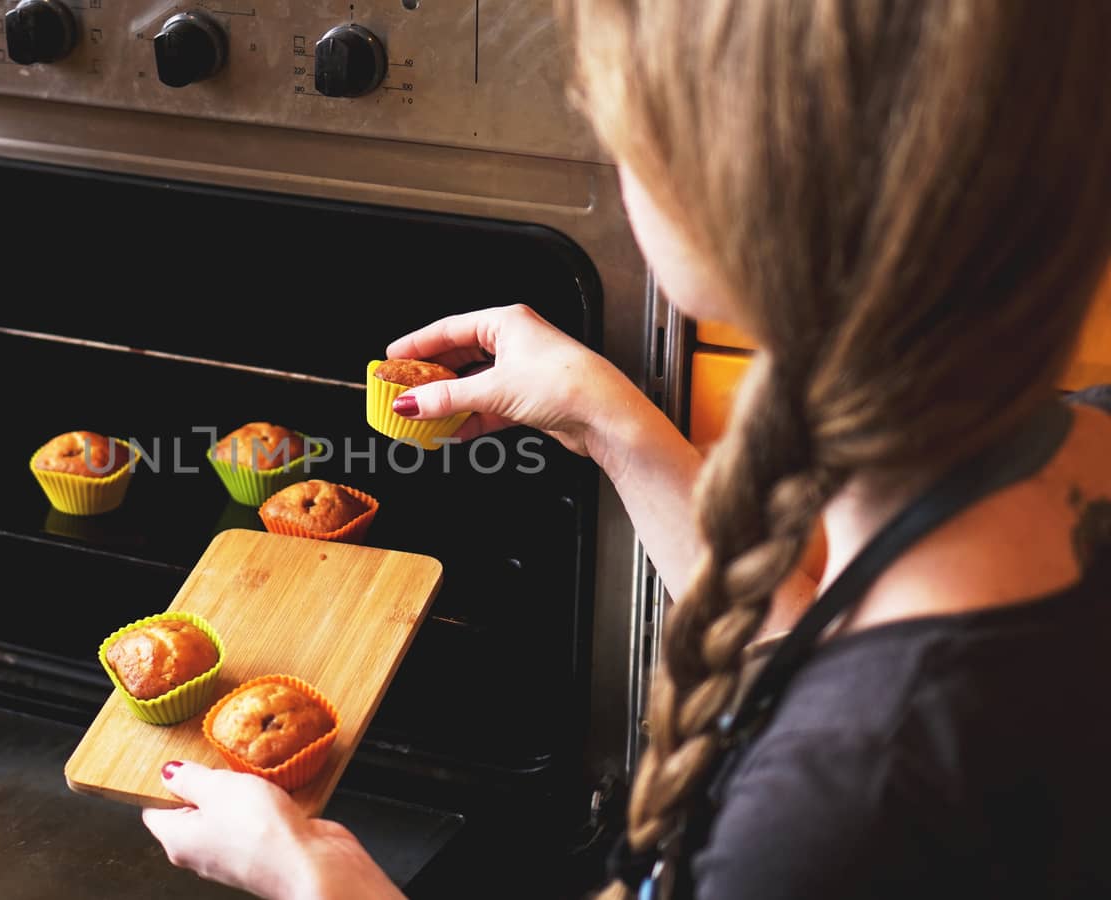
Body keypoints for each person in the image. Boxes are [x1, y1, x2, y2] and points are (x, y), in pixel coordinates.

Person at [142, 0, 1111, 897]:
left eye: (624, 126)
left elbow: (842, 750)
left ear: (728, 189)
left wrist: (324, 883)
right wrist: (599, 415)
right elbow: (815, 659)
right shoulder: (1061, 450)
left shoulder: (832, 813)